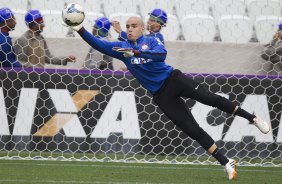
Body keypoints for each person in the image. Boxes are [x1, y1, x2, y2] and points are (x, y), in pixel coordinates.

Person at [64, 16, 270, 181]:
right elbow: (98, 44)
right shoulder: (120, 48)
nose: (130, 28)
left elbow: (159, 56)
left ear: (142, 28)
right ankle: (226, 162)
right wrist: (79, 28)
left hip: (174, 79)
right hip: (161, 95)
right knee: (191, 129)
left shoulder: (151, 40)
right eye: (127, 26)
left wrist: (133, 52)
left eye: (134, 25)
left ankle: (252, 118)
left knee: (210, 98)